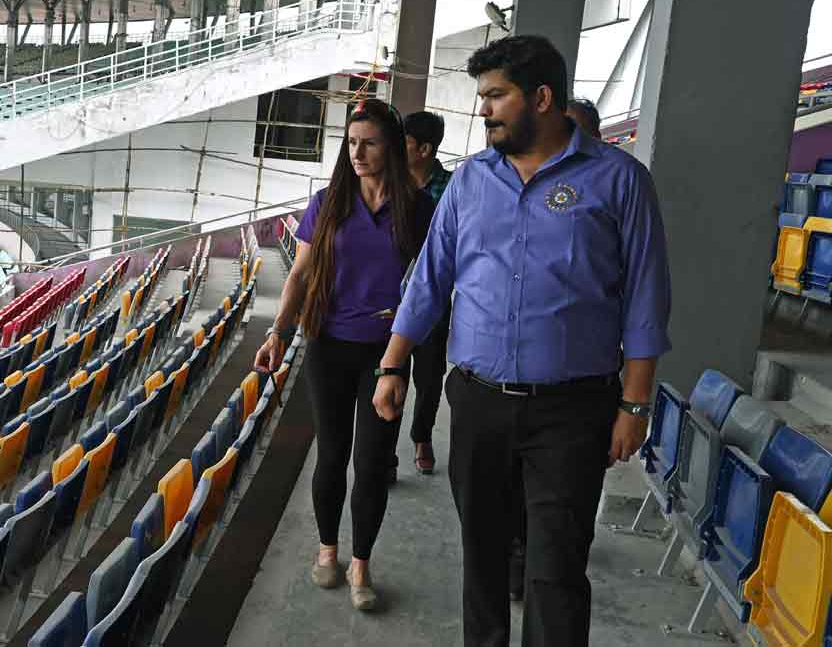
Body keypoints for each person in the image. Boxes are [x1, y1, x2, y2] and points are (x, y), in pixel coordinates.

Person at [372, 35, 671, 646]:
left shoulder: (619, 181)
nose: (483, 109)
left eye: (495, 96)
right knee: (482, 560)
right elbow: (431, 278)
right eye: (482, 96)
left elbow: (646, 297)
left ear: (541, 98)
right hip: (479, 401)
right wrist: (392, 364)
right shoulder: (471, 182)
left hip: (573, 410)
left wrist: (635, 404)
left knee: (556, 570)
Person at [254, 97, 433, 612]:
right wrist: (279, 332)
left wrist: (405, 328)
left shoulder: (417, 209)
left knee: (373, 463)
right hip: (329, 346)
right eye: (352, 143)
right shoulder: (328, 202)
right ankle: (327, 551)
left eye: (370, 143)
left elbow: (432, 280)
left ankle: (361, 565)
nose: (358, 152)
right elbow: (299, 274)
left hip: (386, 354)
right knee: (332, 454)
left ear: (392, 148)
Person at [400, 109, 451, 475]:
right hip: (392, 299)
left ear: (424, 149)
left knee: (429, 377)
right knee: (391, 371)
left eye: (404, 144)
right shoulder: (391, 187)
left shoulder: (450, 189)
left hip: (434, 298)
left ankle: (422, 437)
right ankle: (385, 448)